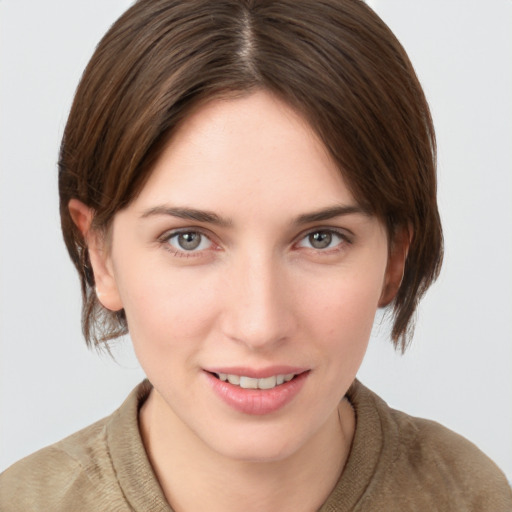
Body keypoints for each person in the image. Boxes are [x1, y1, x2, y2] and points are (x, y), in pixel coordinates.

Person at [1, 0, 510, 510]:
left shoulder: (472, 497)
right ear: (101, 255)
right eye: (189, 239)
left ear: (395, 255)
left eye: (321, 238)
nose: (260, 325)